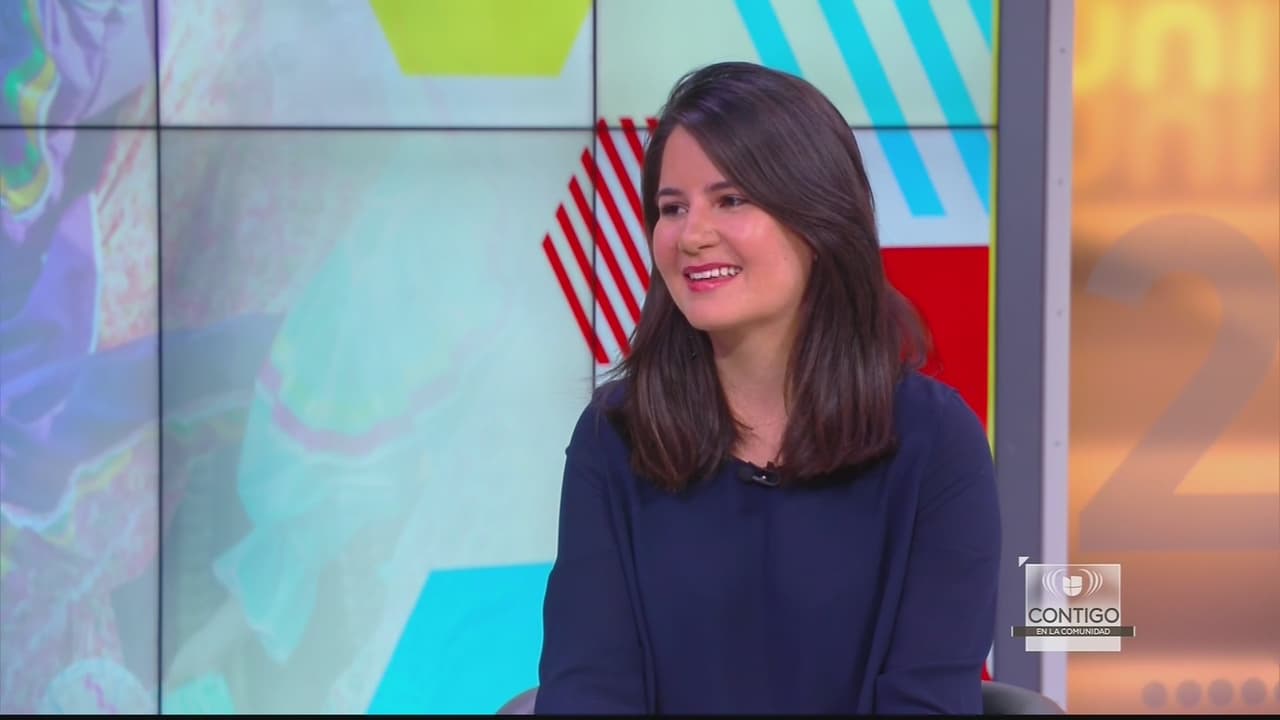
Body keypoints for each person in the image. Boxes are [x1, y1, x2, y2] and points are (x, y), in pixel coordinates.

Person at [534, 61, 1001, 715]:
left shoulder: (934, 442)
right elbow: (589, 691)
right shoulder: (615, 437)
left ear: (818, 219)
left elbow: (928, 700)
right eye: (672, 208)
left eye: (731, 200)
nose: (692, 236)